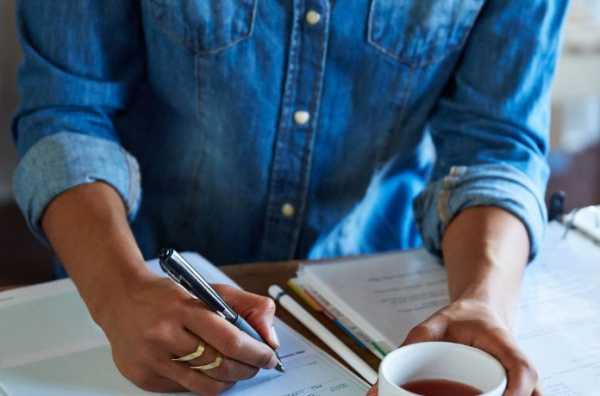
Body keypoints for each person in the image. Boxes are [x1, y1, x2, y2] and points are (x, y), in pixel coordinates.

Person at [12, 1, 568, 395]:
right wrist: (117, 291)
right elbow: (66, 113)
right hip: (133, 273)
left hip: (379, 292)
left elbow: (496, 143)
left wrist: (483, 302)